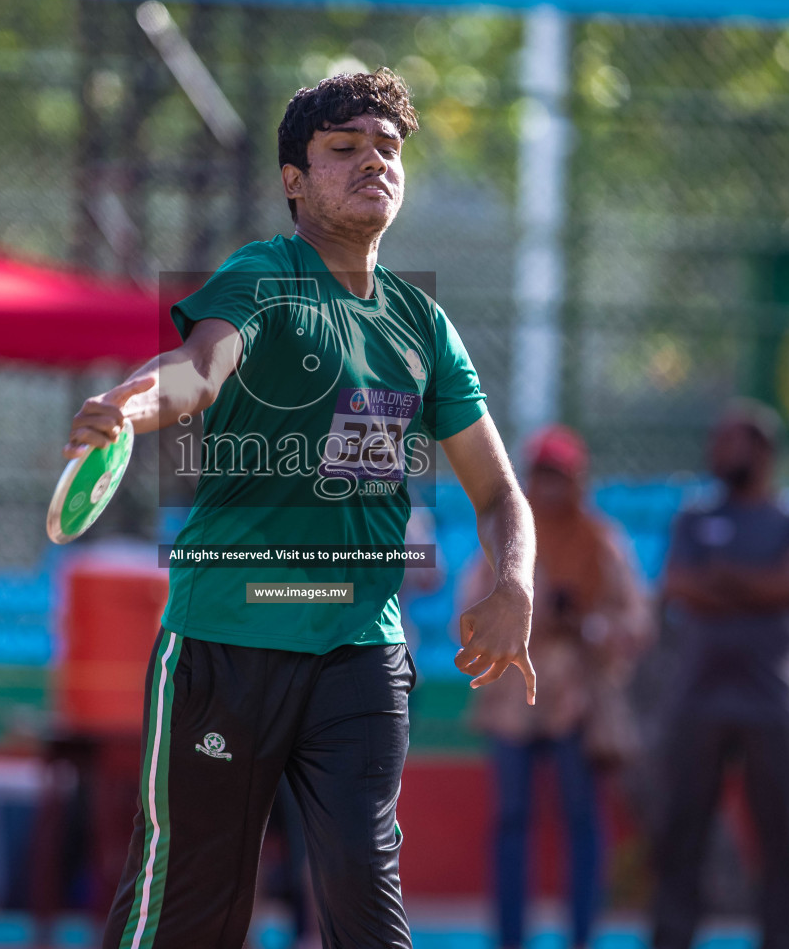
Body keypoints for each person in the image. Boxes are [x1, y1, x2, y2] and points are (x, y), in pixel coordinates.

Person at [65, 68, 537, 949]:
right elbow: (198, 372)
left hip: (360, 649)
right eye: (344, 148)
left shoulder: (423, 325)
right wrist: (130, 406)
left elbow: (501, 493)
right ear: (294, 179)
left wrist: (514, 585)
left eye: (388, 149)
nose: (373, 163)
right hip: (225, 644)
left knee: (365, 884)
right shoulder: (262, 277)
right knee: (191, 908)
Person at [650, 400, 789, 949]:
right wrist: (761, 585)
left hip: (772, 703)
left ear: (762, 449)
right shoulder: (694, 517)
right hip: (698, 701)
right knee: (680, 834)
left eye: (728, 441)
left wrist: (724, 580)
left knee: (781, 838)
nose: (715, 452)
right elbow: (677, 584)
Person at [465, 425, 651, 949]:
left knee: (582, 821)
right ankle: (508, 938)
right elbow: (473, 605)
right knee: (510, 823)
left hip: (574, 701)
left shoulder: (600, 541)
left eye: (558, 477)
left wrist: (592, 626)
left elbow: (638, 619)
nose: (547, 489)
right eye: (539, 476)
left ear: (577, 481)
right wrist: (527, 611)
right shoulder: (507, 538)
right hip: (510, 704)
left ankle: (583, 936)